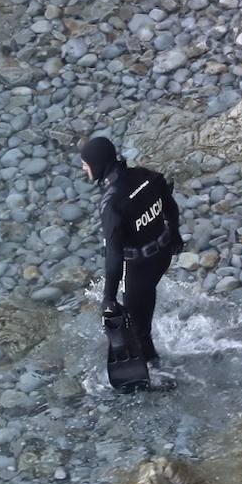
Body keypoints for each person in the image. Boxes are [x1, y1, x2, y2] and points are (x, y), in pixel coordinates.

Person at [79, 136, 183, 364]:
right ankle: (145, 315)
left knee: (138, 332)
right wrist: (175, 235)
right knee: (143, 302)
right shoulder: (146, 175)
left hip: (141, 267)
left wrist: (108, 299)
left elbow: (115, 256)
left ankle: (158, 370)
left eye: (85, 163)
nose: (83, 167)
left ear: (97, 165)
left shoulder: (112, 204)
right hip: (163, 254)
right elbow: (170, 206)